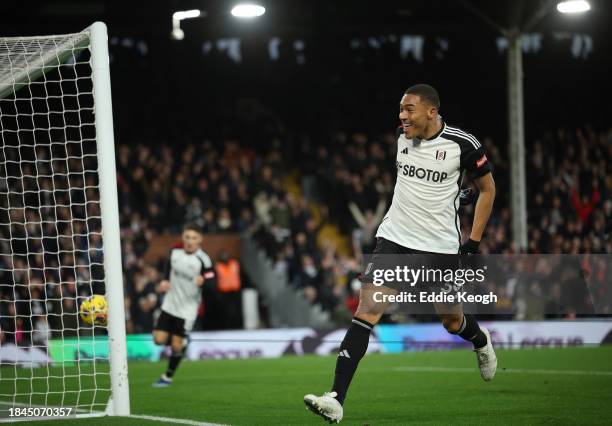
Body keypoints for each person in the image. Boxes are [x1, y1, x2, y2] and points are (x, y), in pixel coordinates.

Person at [304, 84, 497, 423]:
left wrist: (474, 242)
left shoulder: (462, 144)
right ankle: (336, 398)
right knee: (368, 310)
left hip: (439, 247)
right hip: (394, 238)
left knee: (451, 321)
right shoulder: (402, 136)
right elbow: (423, 185)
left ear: (431, 112)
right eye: (400, 109)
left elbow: (488, 189)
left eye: (409, 109)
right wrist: (454, 194)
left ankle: (480, 339)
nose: (402, 116)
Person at [152, 223, 215, 387]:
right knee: (158, 340)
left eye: (194, 238)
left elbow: (213, 280)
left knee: (176, 345)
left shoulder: (203, 259)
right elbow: (168, 267)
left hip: (187, 309)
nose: (190, 241)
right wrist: (165, 280)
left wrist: (205, 281)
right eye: (187, 237)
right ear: (182, 237)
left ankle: (167, 376)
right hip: (170, 304)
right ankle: (181, 342)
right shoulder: (175, 251)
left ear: (200, 240)